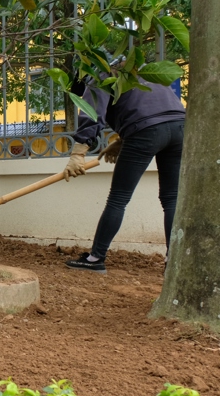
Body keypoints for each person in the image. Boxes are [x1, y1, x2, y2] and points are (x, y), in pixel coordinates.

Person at [62, 75, 185, 274]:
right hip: (180, 126)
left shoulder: (99, 74)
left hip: (146, 131)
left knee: (118, 198)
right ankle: (175, 263)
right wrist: (121, 140)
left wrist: (78, 152)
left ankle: (95, 258)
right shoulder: (136, 68)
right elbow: (149, 105)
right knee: (172, 198)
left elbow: (93, 113)